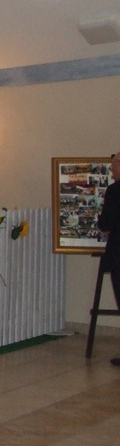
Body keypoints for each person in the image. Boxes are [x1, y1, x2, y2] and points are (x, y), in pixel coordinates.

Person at [97, 150, 120, 366]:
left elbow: (106, 223)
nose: (112, 170)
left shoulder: (115, 191)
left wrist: (99, 221)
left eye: (113, 165)